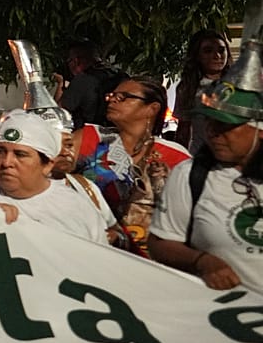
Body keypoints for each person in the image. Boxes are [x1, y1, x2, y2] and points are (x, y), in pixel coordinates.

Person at [149, 38, 263, 292]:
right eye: (210, 122)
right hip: (223, 321)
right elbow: (160, 243)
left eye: (226, 125)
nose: (213, 133)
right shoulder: (191, 175)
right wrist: (202, 261)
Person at [0, 110, 106, 243]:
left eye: (20, 155)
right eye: (1, 152)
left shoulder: (78, 209)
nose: (7, 162)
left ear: (47, 164)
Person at [73, 75, 189, 254]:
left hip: (143, 254)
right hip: (84, 241)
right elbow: (46, 172)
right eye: (111, 96)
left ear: (152, 108)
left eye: (122, 97)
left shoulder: (177, 157)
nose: (111, 100)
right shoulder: (90, 137)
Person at [174, 29, 231, 153]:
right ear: (197, 56)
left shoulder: (239, 85)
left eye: (221, 50)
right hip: (201, 158)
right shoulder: (188, 88)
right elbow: (183, 130)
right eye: (208, 51)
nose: (217, 56)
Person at [59, 38, 124, 129]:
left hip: (91, 135)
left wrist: (60, 83)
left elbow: (60, 112)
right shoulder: (119, 75)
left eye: (69, 61)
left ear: (76, 60)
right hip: (120, 131)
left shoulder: (83, 79)